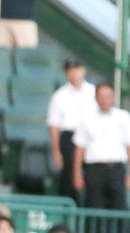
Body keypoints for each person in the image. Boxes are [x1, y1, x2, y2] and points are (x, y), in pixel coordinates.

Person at [72, 83, 130, 214]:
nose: (105, 101)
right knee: (94, 208)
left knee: (119, 208)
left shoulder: (123, 117)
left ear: (113, 97)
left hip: (116, 169)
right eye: (101, 97)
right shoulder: (87, 118)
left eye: (108, 96)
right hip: (94, 169)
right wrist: (77, 173)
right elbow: (79, 147)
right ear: (96, 98)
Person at [46, 58, 95, 205]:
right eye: (71, 70)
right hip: (70, 138)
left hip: (91, 138)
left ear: (84, 70)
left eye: (77, 69)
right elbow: (54, 125)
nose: (74, 74)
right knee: (70, 177)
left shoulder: (93, 92)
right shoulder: (59, 96)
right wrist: (56, 151)